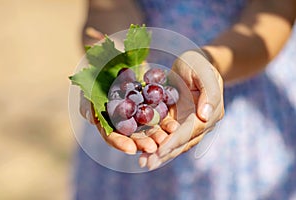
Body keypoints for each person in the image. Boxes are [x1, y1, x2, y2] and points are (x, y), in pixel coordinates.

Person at [73, 0, 296, 199]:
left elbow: (273, 9)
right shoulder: (132, 95)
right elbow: (111, 6)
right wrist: (115, 60)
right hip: (151, 95)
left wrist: (211, 61)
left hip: (244, 98)